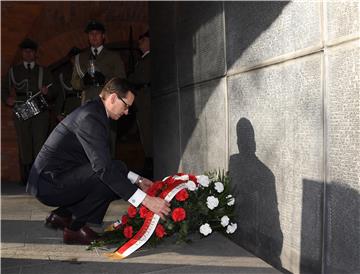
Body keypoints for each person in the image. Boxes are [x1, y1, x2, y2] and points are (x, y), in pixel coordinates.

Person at [26, 77, 171, 245]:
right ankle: (74, 229)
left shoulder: (95, 112)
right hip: (49, 184)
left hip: (56, 177)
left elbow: (107, 162)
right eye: (126, 106)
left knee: (117, 168)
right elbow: (103, 169)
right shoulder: (90, 117)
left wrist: (138, 180)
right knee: (108, 179)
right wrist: (146, 200)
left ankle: (64, 215)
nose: (126, 112)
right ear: (113, 98)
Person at [2, 38, 55, 184]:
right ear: (22, 53)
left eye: (31, 51)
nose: (28, 54)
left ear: (35, 54)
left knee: (40, 142)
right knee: (24, 142)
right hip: (21, 107)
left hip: (40, 109)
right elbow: (3, 87)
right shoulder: (14, 71)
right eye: (25, 51)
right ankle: (26, 177)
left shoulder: (43, 71)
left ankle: (38, 176)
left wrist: (46, 92)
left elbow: (54, 91)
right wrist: (7, 99)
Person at [71, 20, 126, 158]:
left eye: (97, 33)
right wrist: (84, 81)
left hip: (109, 104)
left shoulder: (113, 57)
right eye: (91, 34)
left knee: (108, 140)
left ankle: (110, 174)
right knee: (88, 140)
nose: (94, 36)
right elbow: (74, 83)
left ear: (103, 36)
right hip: (88, 103)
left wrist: (105, 81)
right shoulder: (80, 58)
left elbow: (122, 80)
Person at [128, 30, 153, 179]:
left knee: (148, 130)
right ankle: (149, 159)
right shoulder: (143, 59)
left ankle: (151, 162)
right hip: (143, 99)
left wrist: (131, 76)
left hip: (146, 98)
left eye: (143, 40)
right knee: (144, 131)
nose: (140, 44)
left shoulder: (149, 58)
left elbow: (140, 77)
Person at [53, 47, 82, 123]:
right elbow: (61, 94)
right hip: (70, 106)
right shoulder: (64, 75)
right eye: (73, 58)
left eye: (78, 58)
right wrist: (59, 112)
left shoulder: (88, 72)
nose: (75, 60)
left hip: (84, 104)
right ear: (70, 60)